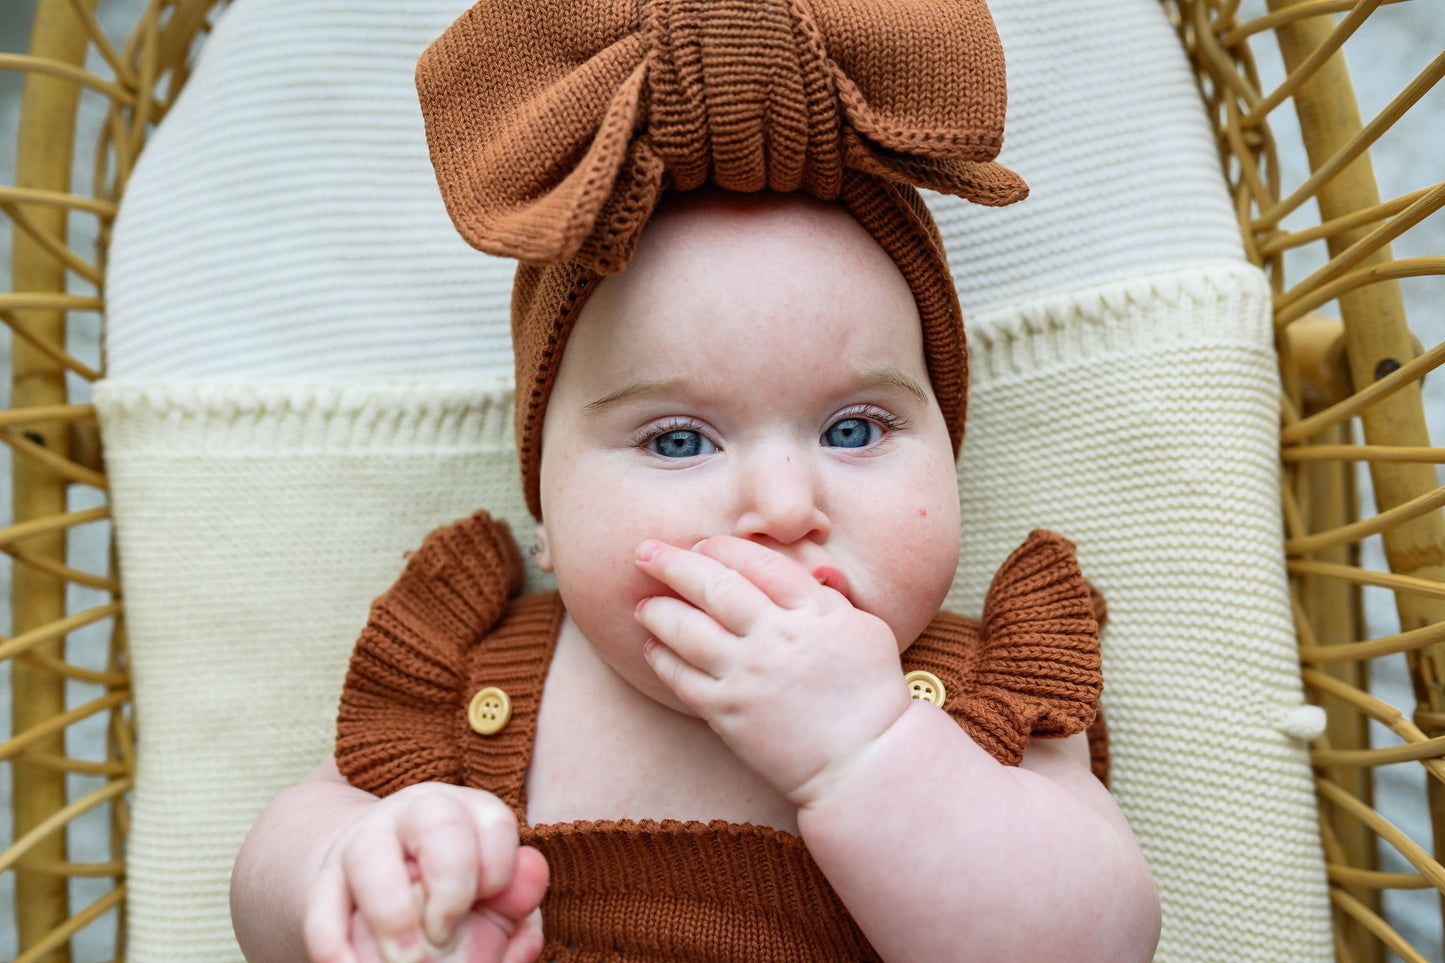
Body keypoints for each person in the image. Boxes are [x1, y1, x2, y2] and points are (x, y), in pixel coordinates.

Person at [231, 2, 1161, 961]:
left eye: (853, 428)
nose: (785, 507)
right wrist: (351, 868)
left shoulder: (973, 708)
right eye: (677, 442)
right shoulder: (469, 676)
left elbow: (1096, 943)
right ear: (546, 511)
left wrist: (868, 752)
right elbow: (269, 884)